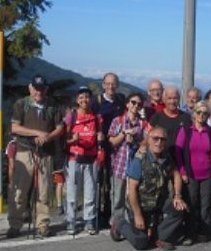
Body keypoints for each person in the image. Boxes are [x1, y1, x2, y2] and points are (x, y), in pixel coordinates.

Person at [7, 75, 65, 238]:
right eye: (36, 88)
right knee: (20, 190)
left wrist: (48, 137)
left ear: (46, 89)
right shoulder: (21, 104)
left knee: (44, 191)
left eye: (42, 89)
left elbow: (60, 127)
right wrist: (37, 133)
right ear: (30, 88)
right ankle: (15, 224)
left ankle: (43, 224)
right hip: (24, 151)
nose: (39, 92)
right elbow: (15, 127)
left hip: (45, 153)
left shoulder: (52, 105)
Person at [119, 127, 188, 250]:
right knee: (141, 243)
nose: (159, 142)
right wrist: (137, 214)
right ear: (148, 140)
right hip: (140, 207)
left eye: (162, 139)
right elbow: (132, 189)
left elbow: (176, 174)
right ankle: (120, 225)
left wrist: (177, 196)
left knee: (180, 208)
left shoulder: (166, 158)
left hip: (157, 205)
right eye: (155, 139)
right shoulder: (139, 160)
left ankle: (160, 237)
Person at [63, 86, 104, 234]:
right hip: (74, 158)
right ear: (77, 100)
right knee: (72, 193)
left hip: (91, 159)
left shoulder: (96, 117)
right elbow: (64, 139)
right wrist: (72, 140)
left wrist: (101, 137)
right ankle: (71, 221)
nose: (84, 100)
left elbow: (100, 135)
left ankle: (89, 221)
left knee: (90, 192)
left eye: (86, 97)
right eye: (81, 97)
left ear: (91, 99)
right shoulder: (71, 116)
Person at [108, 92, 148, 240]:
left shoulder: (143, 124)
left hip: (135, 168)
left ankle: (128, 226)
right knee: (117, 198)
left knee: (131, 198)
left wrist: (136, 141)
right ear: (127, 104)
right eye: (133, 102)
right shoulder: (117, 121)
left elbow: (147, 143)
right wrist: (124, 134)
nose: (136, 106)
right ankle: (116, 226)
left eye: (139, 104)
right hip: (119, 165)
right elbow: (112, 142)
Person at [175, 101, 211, 244]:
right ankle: (190, 233)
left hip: (207, 175)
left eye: (205, 113)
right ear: (194, 113)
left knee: (205, 205)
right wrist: (182, 171)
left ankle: (203, 231)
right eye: (199, 112)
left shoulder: (210, 132)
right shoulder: (186, 130)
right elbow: (178, 153)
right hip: (190, 175)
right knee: (191, 203)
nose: (202, 115)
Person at [91, 72, 126, 228]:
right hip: (101, 148)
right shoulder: (96, 102)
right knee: (100, 181)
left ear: (117, 85)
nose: (111, 86)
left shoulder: (121, 100)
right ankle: (99, 214)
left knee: (114, 182)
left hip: (117, 148)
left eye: (114, 83)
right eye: (108, 83)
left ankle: (111, 212)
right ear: (103, 84)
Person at [149, 86, 192, 158]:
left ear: (179, 99)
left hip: (181, 159)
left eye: (175, 98)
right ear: (164, 100)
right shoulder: (157, 117)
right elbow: (148, 137)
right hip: (161, 159)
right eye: (169, 98)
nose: (172, 101)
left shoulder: (186, 118)